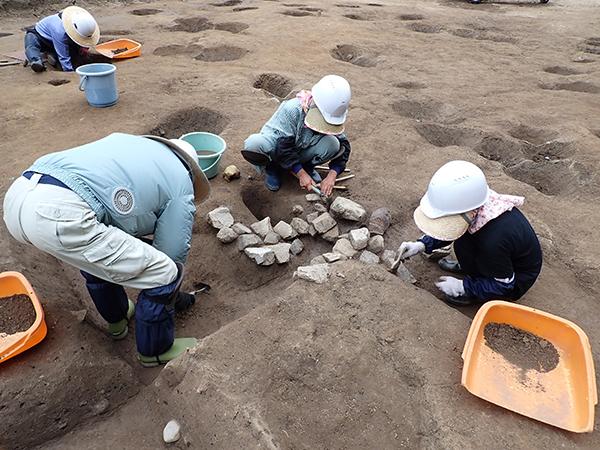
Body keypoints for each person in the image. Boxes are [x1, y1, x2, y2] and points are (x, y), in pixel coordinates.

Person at [3, 133, 210, 367]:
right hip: (60, 214)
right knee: (164, 273)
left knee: (97, 250)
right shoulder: (181, 180)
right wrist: (170, 292)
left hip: (18, 199)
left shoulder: (133, 146)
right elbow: (172, 251)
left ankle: (118, 319)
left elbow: (116, 214)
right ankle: (156, 350)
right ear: (192, 172)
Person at [397, 160, 543, 307]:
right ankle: (473, 270)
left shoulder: (494, 240)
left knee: (480, 253)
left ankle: (478, 290)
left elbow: (505, 284)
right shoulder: (476, 204)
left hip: (515, 278)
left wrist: (463, 287)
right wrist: (421, 245)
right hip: (495, 256)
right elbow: (451, 229)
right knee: (464, 242)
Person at [241, 74, 352, 196]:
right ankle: (271, 168)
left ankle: (307, 166)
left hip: (301, 150)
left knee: (333, 144)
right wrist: (301, 174)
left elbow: (344, 145)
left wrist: (332, 175)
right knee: (253, 144)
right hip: (277, 147)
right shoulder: (292, 109)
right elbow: (284, 147)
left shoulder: (332, 112)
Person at [24, 6, 100, 73]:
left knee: (74, 53)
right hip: (41, 37)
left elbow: (85, 34)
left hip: (57, 41)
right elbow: (64, 57)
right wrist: (70, 73)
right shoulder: (60, 31)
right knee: (31, 40)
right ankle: (36, 60)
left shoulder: (82, 19)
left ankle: (52, 53)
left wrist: (83, 46)